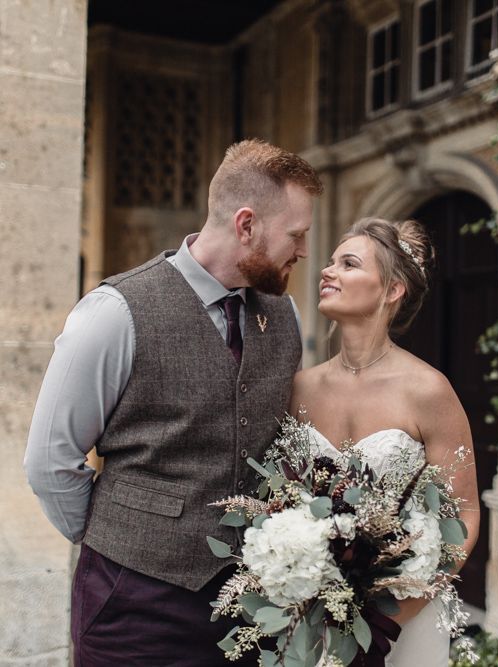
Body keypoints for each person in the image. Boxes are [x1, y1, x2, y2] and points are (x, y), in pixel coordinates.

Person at [24, 138, 323, 666]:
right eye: (295, 236)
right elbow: (50, 462)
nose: (302, 251)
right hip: (133, 605)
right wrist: (118, 542)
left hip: (252, 607)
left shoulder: (285, 316)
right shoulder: (114, 312)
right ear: (246, 225)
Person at [289, 217, 480, 666]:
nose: (327, 271)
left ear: (392, 290)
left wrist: (391, 618)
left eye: (348, 264)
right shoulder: (300, 388)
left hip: (404, 623)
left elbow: (466, 514)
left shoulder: (428, 390)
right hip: (311, 615)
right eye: (331, 262)